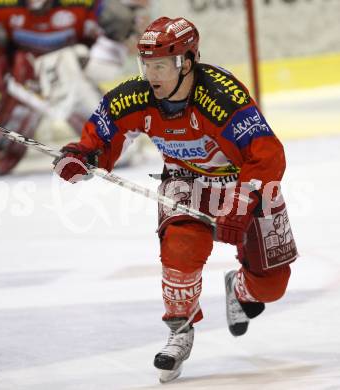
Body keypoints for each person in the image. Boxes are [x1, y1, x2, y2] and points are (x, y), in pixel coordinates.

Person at [54, 16, 299, 383]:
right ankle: (179, 330)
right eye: (146, 65)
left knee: (271, 286)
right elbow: (101, 137)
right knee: (180, 252)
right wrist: (82, 156)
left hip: (243, 182)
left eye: (161, 66)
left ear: (186, 62)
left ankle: (241, 288)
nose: (151, 75)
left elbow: (267, 155)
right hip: (185, 181)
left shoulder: (220, 97)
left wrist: (243, 199)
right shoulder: (135, 96)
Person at [0, 0, 148, 175]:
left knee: (64, 65)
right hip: (26, 78)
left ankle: (108, 142)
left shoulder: (84, 4)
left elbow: (118, 28)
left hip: (71, 71)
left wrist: (95, 59)